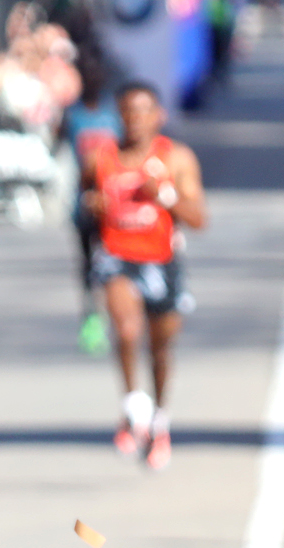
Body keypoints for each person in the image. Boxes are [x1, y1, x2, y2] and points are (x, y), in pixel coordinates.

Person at [82, 81, 206, 472]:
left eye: (143, 111)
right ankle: (133, 404)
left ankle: (159, 418)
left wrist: (164, 196)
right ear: (118, 116)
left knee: (161, 347)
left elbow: (199, 218)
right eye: (127, 112)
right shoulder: (100, 158)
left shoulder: (176, 158)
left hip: (162, 260)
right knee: (127, 329)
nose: (135, 120)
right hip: (118, 256)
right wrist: (91, 205)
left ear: (158, 116)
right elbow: (84, 209)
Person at [60, 59, 119, 356]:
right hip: (84, 201)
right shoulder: (73, 114)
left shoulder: (114, 113)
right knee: (87, 264)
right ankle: (91, 318)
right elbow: (58, 142)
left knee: (116, 263)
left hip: (115, 204)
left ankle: (119, 314)